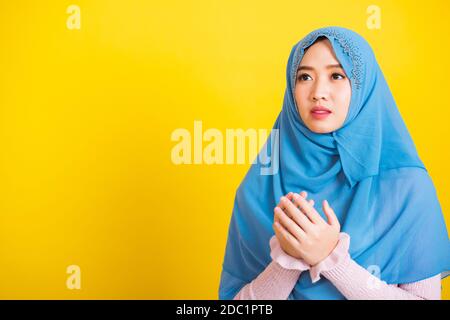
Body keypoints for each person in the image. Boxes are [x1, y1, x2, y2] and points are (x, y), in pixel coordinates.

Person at [218, 26, 450, 300]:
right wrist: (286, 262)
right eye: (304, 77)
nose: (318, 92)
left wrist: (331, 259)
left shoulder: (407, 187)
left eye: (337, 75)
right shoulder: (258, 187)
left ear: (363, 87)